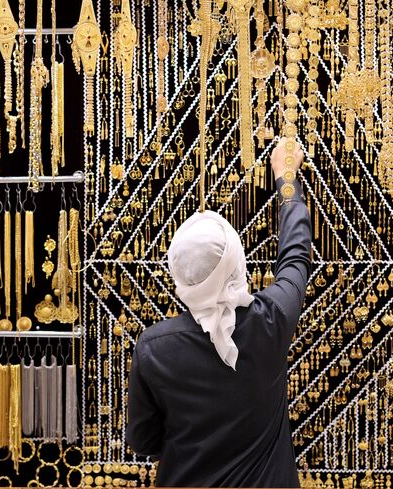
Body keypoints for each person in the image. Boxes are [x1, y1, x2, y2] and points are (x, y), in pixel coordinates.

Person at [126, 138, 312, 487]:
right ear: (236, 263)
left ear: (179, 274)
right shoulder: (270, 322)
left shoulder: (153, 347)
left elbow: (144, 442)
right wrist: (287, 177)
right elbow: (296, 256)